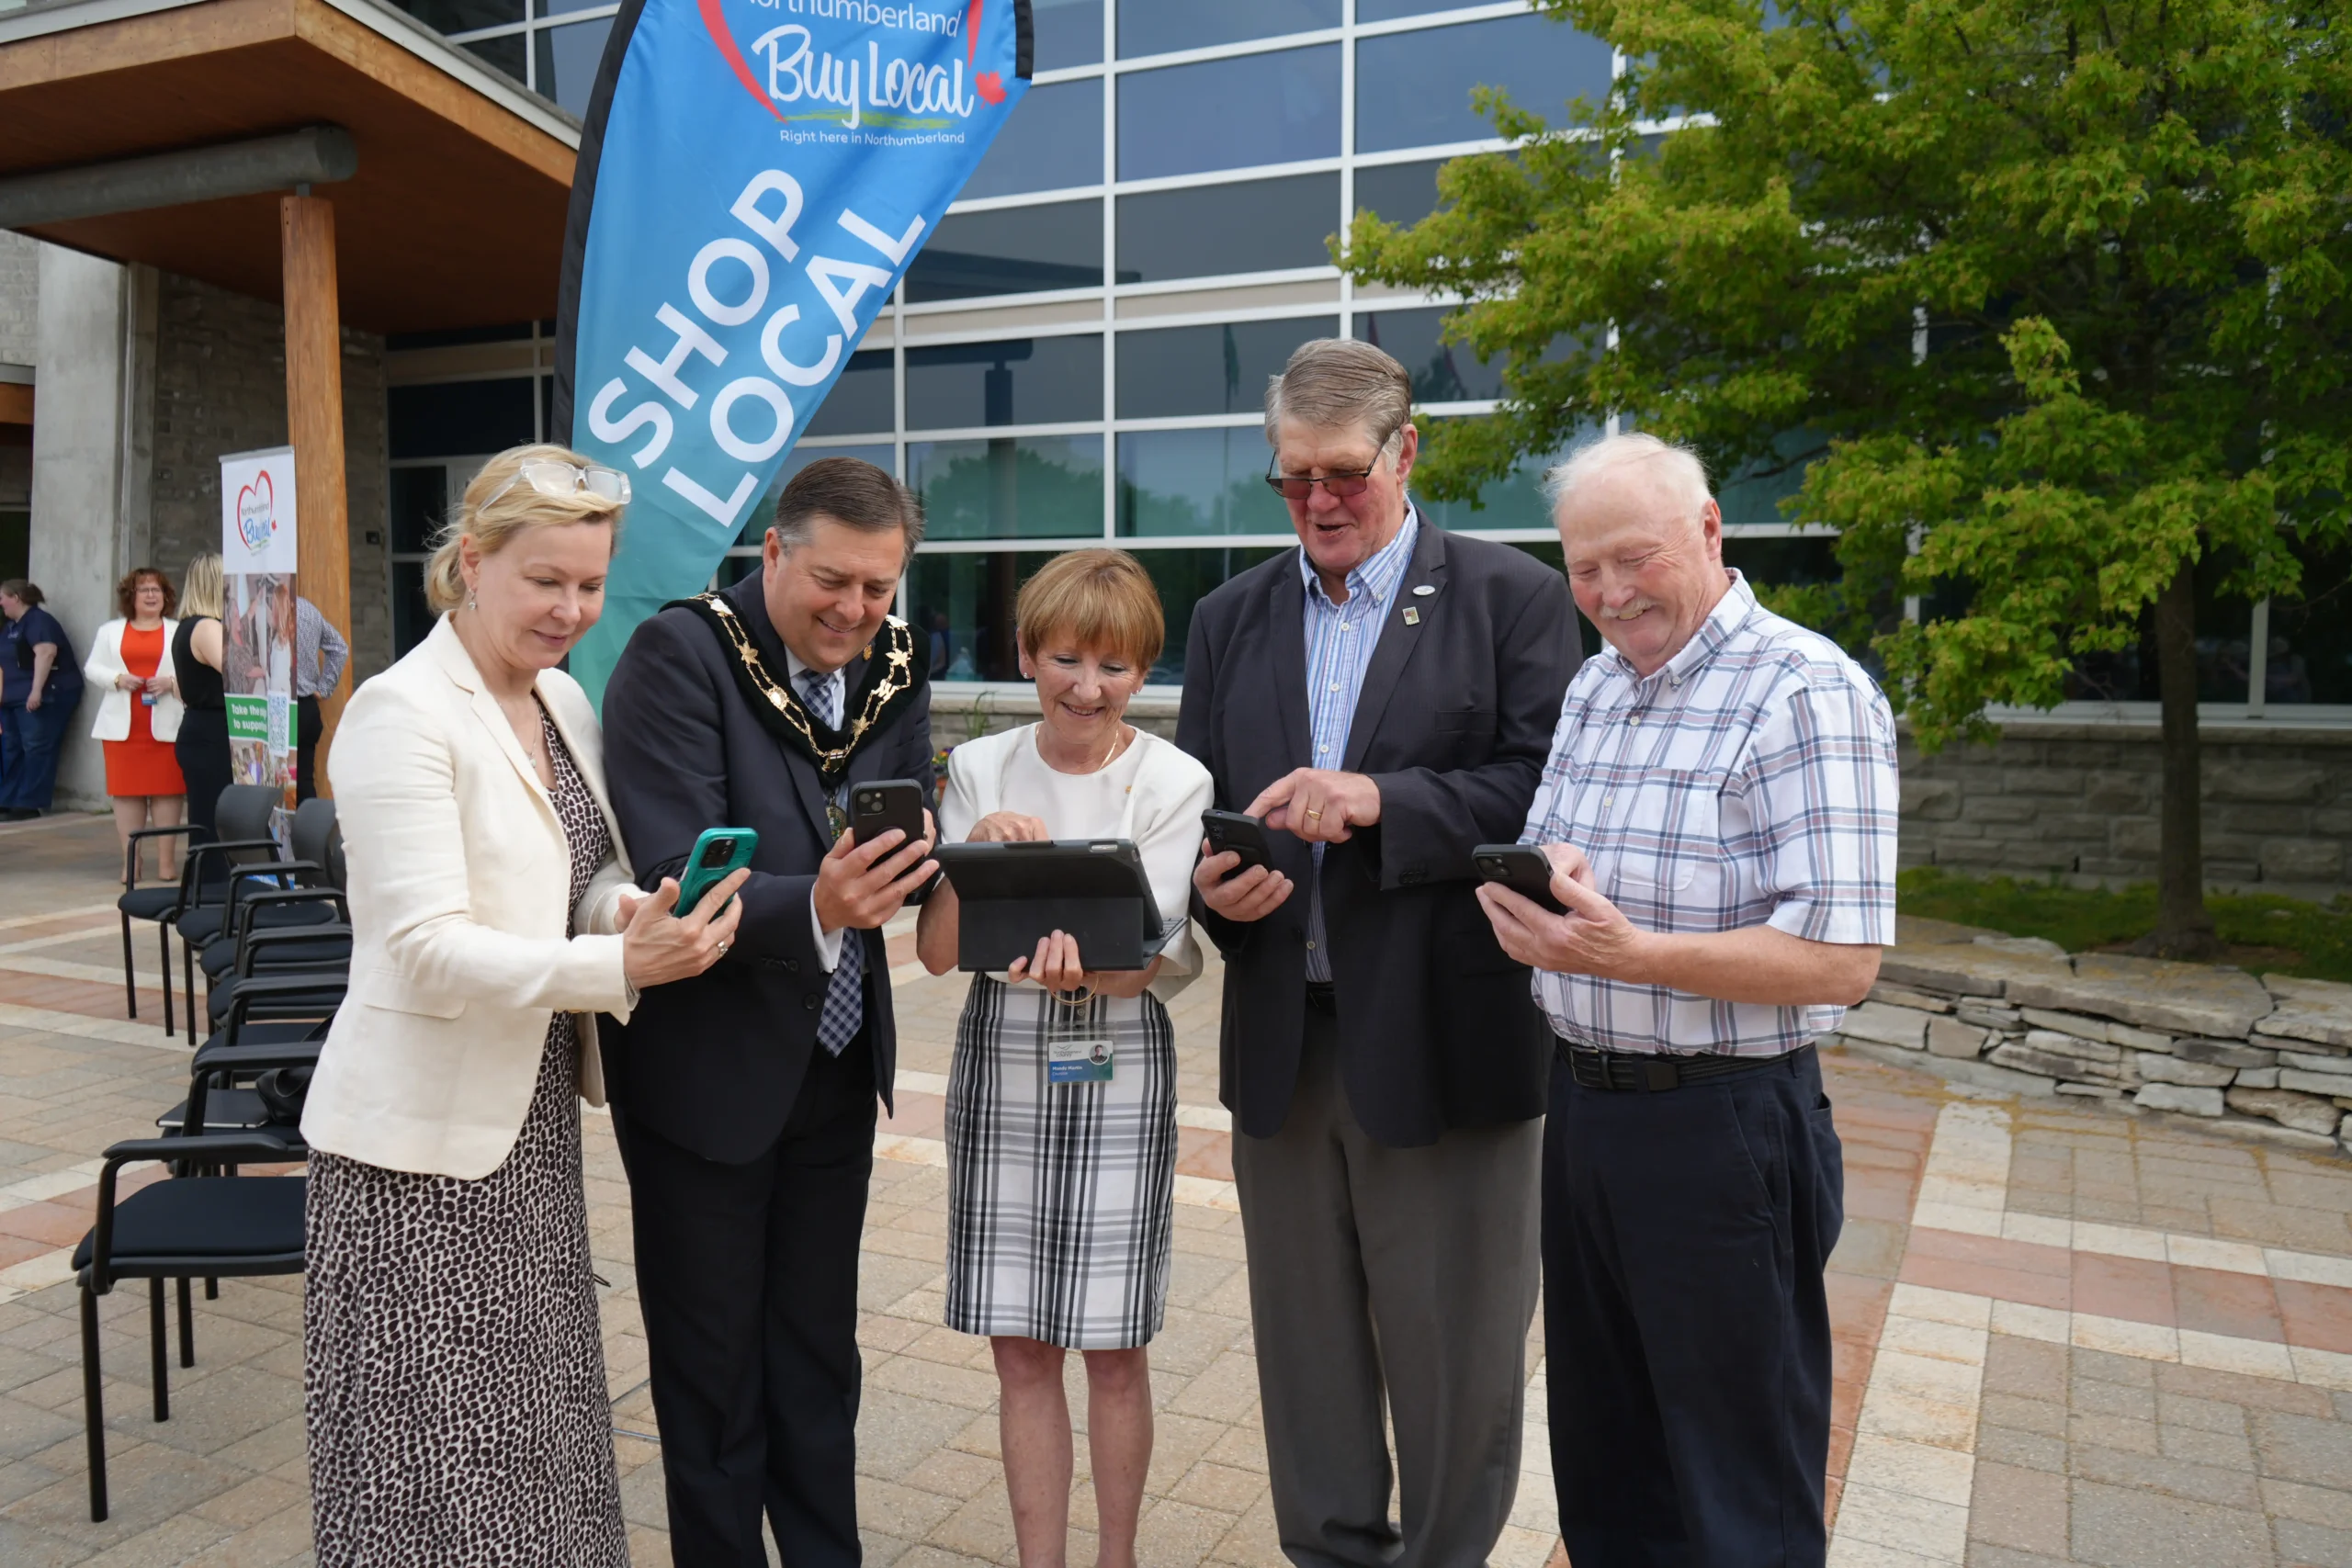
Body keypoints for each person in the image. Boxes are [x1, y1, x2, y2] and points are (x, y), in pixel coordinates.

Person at [299, 444, 746, 1565]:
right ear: (470, 562)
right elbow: (422, 948)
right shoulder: (399, 714)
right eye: (546, 580)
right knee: (437, 1461)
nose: (571, 610)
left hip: (524, 1127)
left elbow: (573, 874)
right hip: (415, 1157)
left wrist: (628, 911)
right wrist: (621, 971)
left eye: (590, 584)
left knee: (533, 1437)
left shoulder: (555, 697)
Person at [1175, 338, 1581, 1568]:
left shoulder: (1514, 598)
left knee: (1456, 1360)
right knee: (1307, 1358)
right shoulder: (1228, 615)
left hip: (1450, 1042)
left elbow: (1545, 792)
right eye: (1291, 478)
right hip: (1282, 1046)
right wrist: (1216, 888)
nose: (1318, 501)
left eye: (1343, 471)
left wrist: (1382, 800)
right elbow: (1203, 808)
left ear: (1407, 451)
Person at [1475, 433, 1896, 1568]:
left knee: (1735, 1493)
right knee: (1609, 1476)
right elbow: (1558, 850)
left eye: (1633, 558)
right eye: (1583, 568)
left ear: (1709, 532)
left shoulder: (1805, 691)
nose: (1608, 594)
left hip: (1725, 1131)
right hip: (1589, 1118)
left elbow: (1842, 959)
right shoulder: (1597, 685)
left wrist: (1631, 954)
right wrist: (1534, 898)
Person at [600, 455, 940, 1567]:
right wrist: (823, 905)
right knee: (711, 1376)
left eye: (879, 588)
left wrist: (977, 861)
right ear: (774, 552)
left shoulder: (890, 662)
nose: (855, 612)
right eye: (833, 582)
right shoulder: (681, 654)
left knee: (815, 1360)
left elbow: (903, 827)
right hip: (707, 1077)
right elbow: (670, 871)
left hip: (835, 1068)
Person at [915, 549, 1214, 1568]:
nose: (1086, 687)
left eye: (1114, 667)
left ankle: (1114, 1559)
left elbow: (1143, 964)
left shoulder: (1174, 781)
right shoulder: (976, 769)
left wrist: (1076, 961)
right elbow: (940, 951)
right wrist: (979, 860)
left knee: (1115, 1348)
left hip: (1117, 1054)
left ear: (1144, 672)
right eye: (1065, 658)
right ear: (1026, 653)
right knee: (1020, 1348)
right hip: (1001, 1053)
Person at [85, 568, 187, 879]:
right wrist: (117, 679)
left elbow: (196, 671)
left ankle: (167, 863)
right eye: (144, 590)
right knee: (126, 793)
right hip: (122, 729)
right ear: (132, 597)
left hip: (167, 725)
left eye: (157, 590)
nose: (152, 595)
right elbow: (92, 668)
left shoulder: (178, 630)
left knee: (168, 793)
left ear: (166, 596)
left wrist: (171, 683)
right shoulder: (110, 631)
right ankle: (132, 861)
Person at [0, 580, 82, 820]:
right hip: (12, 698)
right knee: (11, 747)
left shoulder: (39, 621)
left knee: (36, 746)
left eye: (3, 597)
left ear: (16, 597)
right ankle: (8, 799)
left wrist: (35, 692)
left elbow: (46, 652)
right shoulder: (10, 627)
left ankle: (28, 803)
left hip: (46, 695)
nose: (0, 602)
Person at [172, 554, 232, 850]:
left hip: (203, 728)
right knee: (214, 821)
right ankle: (211, 889)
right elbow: (240, 673)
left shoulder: (186, 626)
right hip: (212, 732)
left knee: (210, 818)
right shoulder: (207, 627)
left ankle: (209, 887)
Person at [291, 592, 349, 801]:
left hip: (280, 707)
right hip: (306, 708)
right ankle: (310, 833)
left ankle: (275, 835)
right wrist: (323, 688)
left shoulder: (265, 608)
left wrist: (323, 688)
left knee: (273, 785)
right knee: (304, 781)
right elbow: (339, 647)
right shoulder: (307, 609)